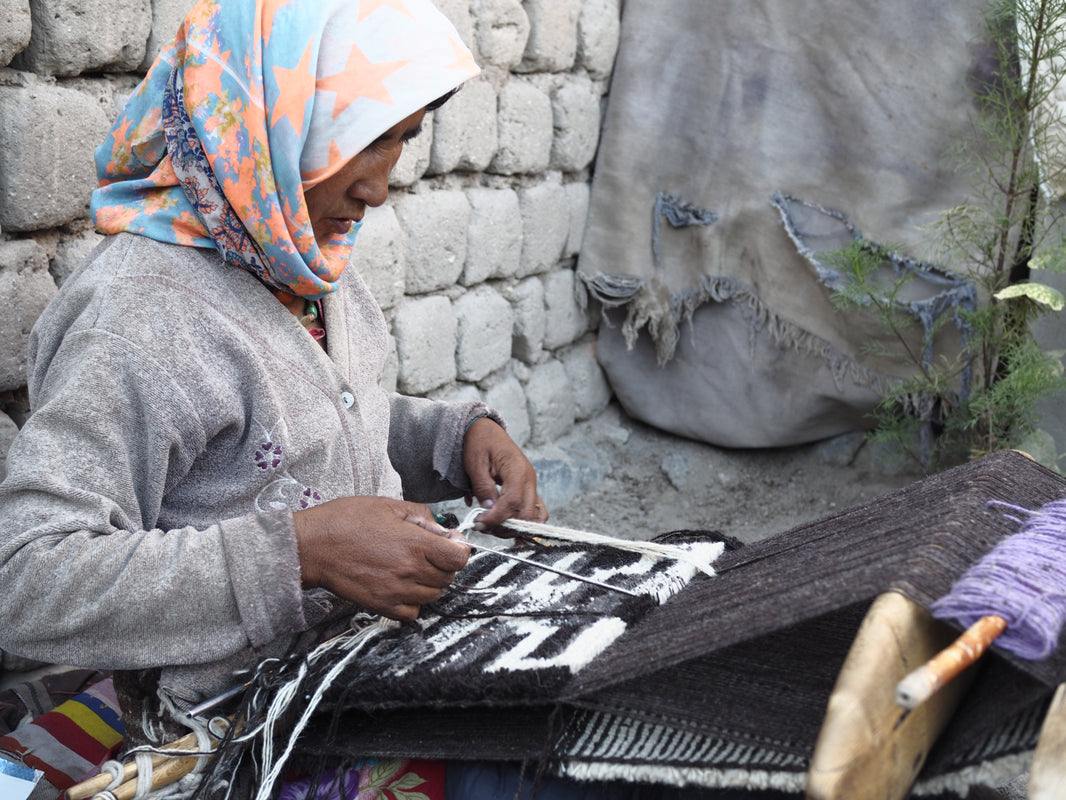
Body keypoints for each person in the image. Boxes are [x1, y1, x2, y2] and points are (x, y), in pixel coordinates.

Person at [0, 0, 549, 795]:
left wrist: (453, 439)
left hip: (350, 670)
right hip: (229, 728)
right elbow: (27, 579)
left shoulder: (303, 262)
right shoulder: (140, 317)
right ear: (263, 124)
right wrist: (298, 555)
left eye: (402, 139)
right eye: (360, 141)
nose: (379, 186)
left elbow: (307, 430)